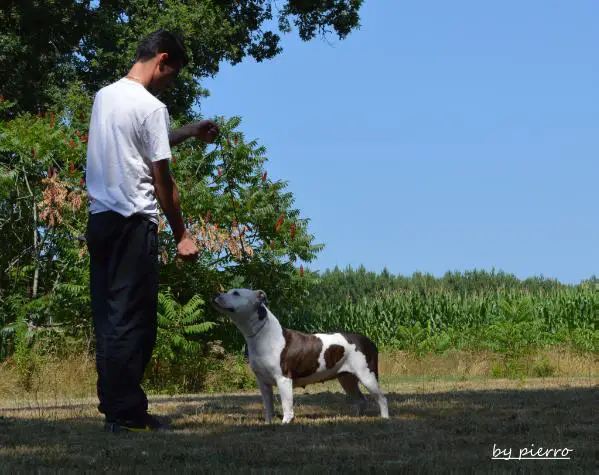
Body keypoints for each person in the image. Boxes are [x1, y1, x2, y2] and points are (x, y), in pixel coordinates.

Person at [85, 29, 219, 432]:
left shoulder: (104, 96)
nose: (170, 82)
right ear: (162, 61)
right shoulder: (150, 107)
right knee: (136, 323)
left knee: (109, 320)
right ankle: (127, 415)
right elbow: (164, 183)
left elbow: (139, 146)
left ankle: (115, 409)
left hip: (100, 221)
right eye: (172, 74)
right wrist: (183, 234)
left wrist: (190, 131)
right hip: (133, 225)